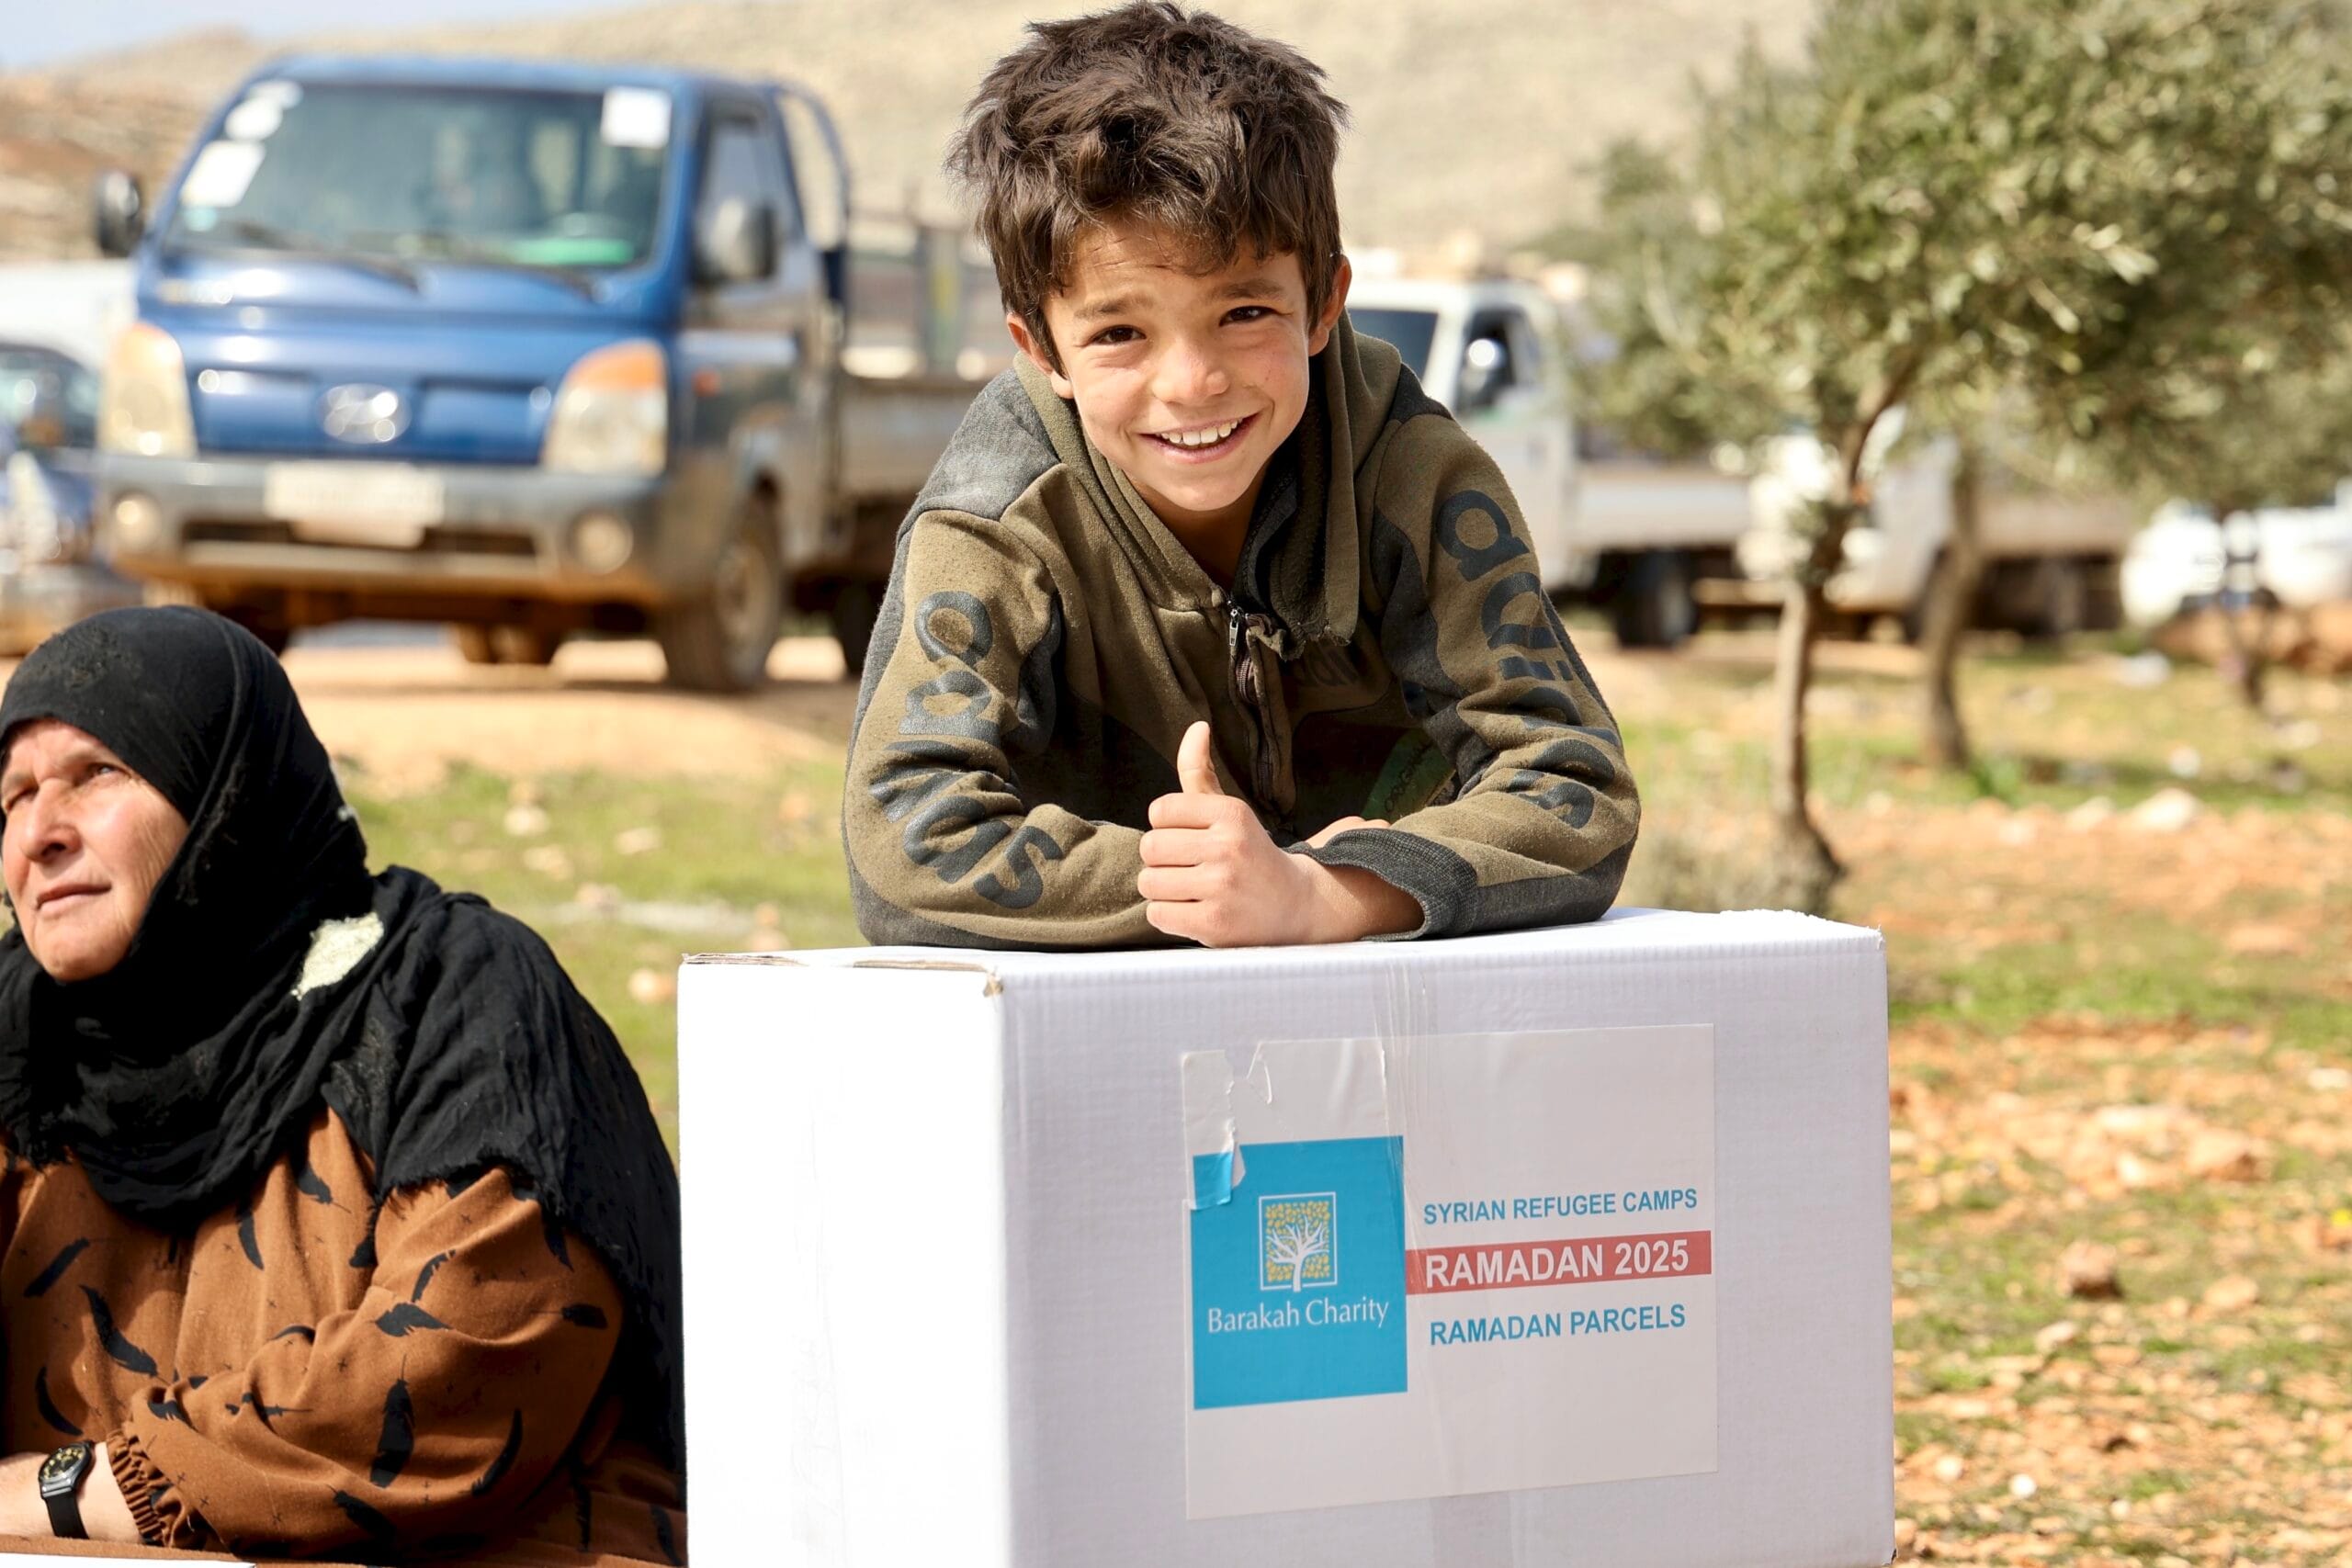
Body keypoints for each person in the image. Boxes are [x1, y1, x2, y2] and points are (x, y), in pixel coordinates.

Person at [843, 1, 1639, 950]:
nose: (1190, 384)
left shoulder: (1410, 474)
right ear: (1040, 348)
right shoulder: (996, 520)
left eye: (1243, 313)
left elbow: (1574, 784)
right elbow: (903, 841)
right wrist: (1211, 889)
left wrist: (1329, 893)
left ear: (1322, 304)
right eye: (1118, 333)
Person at [0, 607, 684, 1563]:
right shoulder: (22, 1046)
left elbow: (457, 1376)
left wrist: (73, 1488)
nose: (38, 836)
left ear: (226, 792)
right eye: (14, 795)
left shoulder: (448, 992)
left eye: (97, 774)